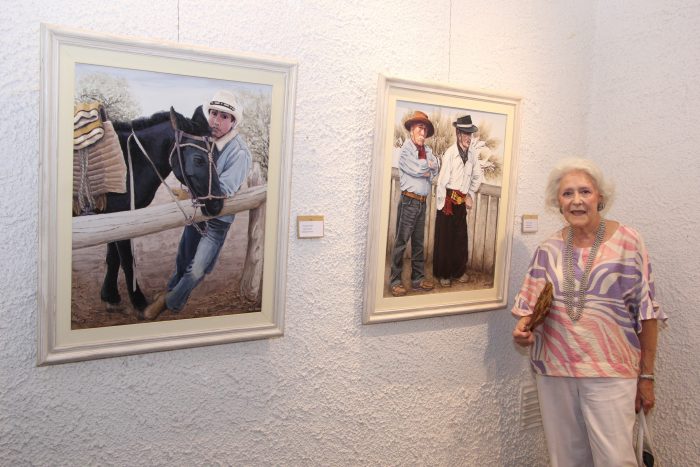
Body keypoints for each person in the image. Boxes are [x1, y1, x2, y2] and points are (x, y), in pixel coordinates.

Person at [511, 158, 666, 466]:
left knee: (615, 459)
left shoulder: (628, 242)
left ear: (600, 198)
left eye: (585, 191)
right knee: (565, 459)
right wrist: (523, 329)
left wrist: (646, 376)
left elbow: (646, 313)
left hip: (611, 371)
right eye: (568, 193)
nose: (577, 200)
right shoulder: (548, 249)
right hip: (554, 371)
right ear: (558, 202)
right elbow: (531, 307)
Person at [144, 90, 252, 319]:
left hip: (217, 221)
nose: (216, 120)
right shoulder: (205, 140)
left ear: (233, 122)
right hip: (197, 213)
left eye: (224, 116)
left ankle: (168, 301)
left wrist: (187, 195)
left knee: (199, 269)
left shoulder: (239, 152)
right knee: (183, 260)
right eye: (213, 113)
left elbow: (222, 191)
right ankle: (174, 291)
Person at [389, 110, 439, 297]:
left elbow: (435, 170)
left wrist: (429, 168)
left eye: (425, 129)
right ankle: (395, 280)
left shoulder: (428, 151)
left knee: (418, 243)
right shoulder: (405, 151)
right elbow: (419, 169)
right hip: (409, 200)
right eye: (420, 127)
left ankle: (417, 279)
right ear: (411, 130)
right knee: (401, 242)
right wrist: (428, 167)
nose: (423, 132)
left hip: (422, 202)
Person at [433, 115, 483, 287]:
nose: (469, 138)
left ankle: (458, 271)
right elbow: (441, 182)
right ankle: (444, 274)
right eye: (465, 134)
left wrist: (470, 194)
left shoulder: (473, 155)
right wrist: (442, 206)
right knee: (446, 239)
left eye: (471, 134)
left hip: (461, 202)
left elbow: (477, 177)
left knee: (460, 238)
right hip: (447, 202)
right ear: (458, 134)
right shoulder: (450, 153)